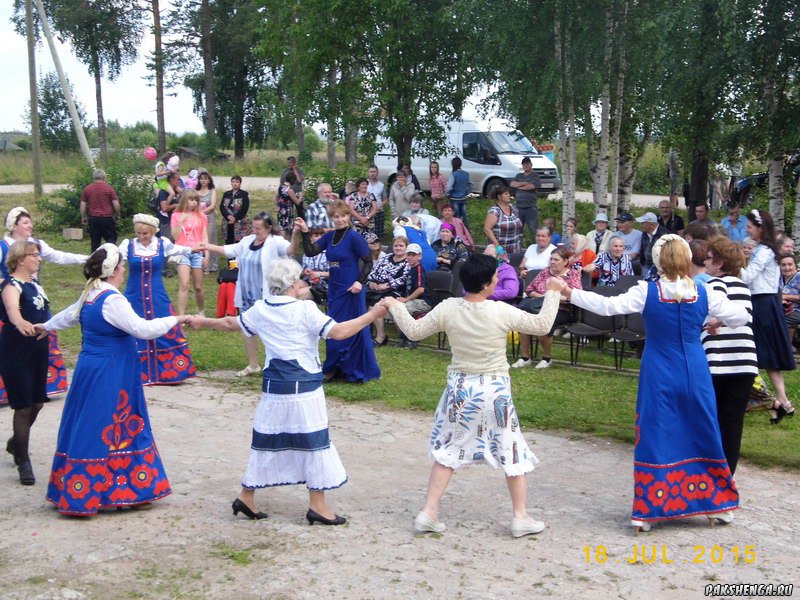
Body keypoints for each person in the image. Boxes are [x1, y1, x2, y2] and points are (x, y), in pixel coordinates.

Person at [560, 234, 748, 532]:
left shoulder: (646, 291)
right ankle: (716, 502)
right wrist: (716, 322)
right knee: (703, 429)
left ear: (658, 260)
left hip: (659, 370)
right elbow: (740, 316)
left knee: (656, 431)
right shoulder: (705, 292)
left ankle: (649, 509)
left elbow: (608, 305)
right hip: (695, 371)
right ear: (687, 260)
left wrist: (570, 292)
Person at [189, 259, 388, 524]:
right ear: (294, 283)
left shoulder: (261, 308)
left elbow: (229, 324)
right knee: (314, 443)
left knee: (266, 441)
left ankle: (246, 496)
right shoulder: (305, 309)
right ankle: (317, 506)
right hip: (303, 387)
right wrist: (373, 315)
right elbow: (339, 332)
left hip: (274, 387)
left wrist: (202, 323)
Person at [385, 253, 562, 537]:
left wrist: (395, 305)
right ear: (488, 283)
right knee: (511, 446)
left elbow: (414, 331)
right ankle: (520, 516)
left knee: (449, 449)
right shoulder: (499, 310)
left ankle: (429, 512)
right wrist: (554, 291)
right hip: (495, 390)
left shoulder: (449, 307)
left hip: (460, 390)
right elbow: (542, 326)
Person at [38, 244, 192, 516]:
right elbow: (142, 329)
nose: (124, 270)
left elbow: (69, 316)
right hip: (112, 370)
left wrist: (46, 326)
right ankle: (122, 490)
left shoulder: (91, 292)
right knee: (116, 426)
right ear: (113, 271)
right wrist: (177, 318)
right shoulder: (111, 299)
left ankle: (86, 488)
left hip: (91, 367)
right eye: (121, 266)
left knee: (89, 421)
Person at [0, 207, 87, 404]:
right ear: (13, 226)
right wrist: (6, 285)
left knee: (42, 339)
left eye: (30, 221)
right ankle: (14, 391)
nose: (29, 225)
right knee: (15, 346)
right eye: (24, 222)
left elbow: (59, 256)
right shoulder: (4, 246)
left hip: (35, 300)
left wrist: (85, 258)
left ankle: (43, 388)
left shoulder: (36, 244)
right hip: (12, 299)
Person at [204, 213, 300, 376]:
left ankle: (280, 362)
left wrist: (296, 234)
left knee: (273, 328)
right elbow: (230, 250)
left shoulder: (275, 242)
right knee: (246, 327)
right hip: (248, 293)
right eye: (253, 227)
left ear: (269, 228)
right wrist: (207, 246)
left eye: (259, 228)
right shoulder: (248, 241)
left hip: (266, 294)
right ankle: (253, 364)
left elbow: (291, 249)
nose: (255, 231)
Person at [298, 203, 380, 382]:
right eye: (336, 217)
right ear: (332, 218)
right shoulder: (330, 236)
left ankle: (341, 369)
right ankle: (336, 367)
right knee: (332, 328)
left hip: (351, 290)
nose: (340, 219)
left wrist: (359, 282)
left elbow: (368, 261)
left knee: (350, 328)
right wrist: (305, 231)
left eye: (343, 216)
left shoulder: (354, 237)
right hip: (335, 288)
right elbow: (311, 251)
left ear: (348, 216)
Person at [119, 214, 197, 385]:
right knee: (132, 327)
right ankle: (135, 373)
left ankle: (171, 372)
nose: (141, 237)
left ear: (152, 232)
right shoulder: (128, 245)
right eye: (139, 233)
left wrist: (195, 248)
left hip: (157, 295)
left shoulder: (162, 244)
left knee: (165, 325)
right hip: (134, 296)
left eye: (145, 234)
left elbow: (180, 249)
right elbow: (116, 259)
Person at [702, 237, 758, 474]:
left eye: (708, 257)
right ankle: (727, 476)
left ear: (720, 263)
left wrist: (714, 321)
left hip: (719, 362)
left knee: (710, 422)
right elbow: (745, 314)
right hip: (744, 364)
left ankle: (707, 474)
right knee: (733, 424)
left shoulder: (714, 283)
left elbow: (709, 313)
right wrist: (721, 320)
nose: (705, 260)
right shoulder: (743, 286)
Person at [0, 241, 50, 485]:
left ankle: (15, 443)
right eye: (34, 255)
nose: (39, 259)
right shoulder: (11, 284)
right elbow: (13, 311)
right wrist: (21, 324)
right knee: (23, 406)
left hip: (39, 349)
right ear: (21, 258)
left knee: (38, 403)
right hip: (17, 349)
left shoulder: (35, 283)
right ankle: (23, 460)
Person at [740, 209, 796, 423]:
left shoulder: (764, 251)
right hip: (765, 303)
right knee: (767, 357)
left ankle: (767, 400)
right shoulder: (764, 249)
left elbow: (747, 277)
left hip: (762, 305)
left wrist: (732, 262)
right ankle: (782, 403)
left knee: (756, 355)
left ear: (760, 227)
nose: (747, 229)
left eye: (750, 226)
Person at [513, 247, 581, 369]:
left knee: (544, 319)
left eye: (556, 259)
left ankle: (546, 358)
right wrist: (543, 297)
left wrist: (553, 298)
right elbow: (529, 290)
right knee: (523, 317)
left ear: (565, 261)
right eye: (551, 259)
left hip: (562, 310)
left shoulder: (573, 275)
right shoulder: (545, 272)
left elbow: (575, 297)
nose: (552, 262)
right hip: (537, 305)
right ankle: (525, 357)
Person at [170, 190, 210, 316]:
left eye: (196, 200)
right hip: (182, 251)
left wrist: (207, 254)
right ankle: (181, 316)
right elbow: (175, 237)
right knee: (184, 284)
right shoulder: (176, 215)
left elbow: (204, 236)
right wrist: (180, 222)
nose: (193, 203)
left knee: (198, 286)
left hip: (198, 251)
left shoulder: (201, 216)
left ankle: (201, 311)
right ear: (185, 200)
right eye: (191, 200)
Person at [366, 236, 409, 346]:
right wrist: (372, 282)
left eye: (401, 246)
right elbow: (373, 271)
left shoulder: (408, 261)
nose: (398, 248)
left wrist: (386, 285)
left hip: (397, 291)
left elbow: (404, 279)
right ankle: (380, 336)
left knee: (378, 304)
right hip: (377, 290)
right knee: (370, 303)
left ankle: (397, 337)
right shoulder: (386, 257)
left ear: (406, 247)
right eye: (395, 245)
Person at [395, 243, 433, 348]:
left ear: (419, 256)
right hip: (411, 300)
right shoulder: (408, 269)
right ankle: (404, 337)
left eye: (413, 255)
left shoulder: (419, 269)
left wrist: (406, 299)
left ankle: (412, 339)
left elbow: (420, 289)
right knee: (396, 307)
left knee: (404, 309)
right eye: (409, 254)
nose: (410, 257)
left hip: (424, 301)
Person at [80, 169, 121, 251]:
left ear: (93, 178)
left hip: (94, 218)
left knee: (95, 242)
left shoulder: (88, 189)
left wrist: (84, 217)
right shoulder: (109, 188)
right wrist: (117, 215)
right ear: (104, 177)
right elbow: (116, 204)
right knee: (111, 238)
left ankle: (95, 261)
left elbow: (83, 204)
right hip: (107, 218)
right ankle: (110, 256)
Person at [484, 186, 523, 254]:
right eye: (506, 194)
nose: (509, 195)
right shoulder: (495, 211)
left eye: (509, 193)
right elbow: (487, 229)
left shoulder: (513, 207)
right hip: (501, 249)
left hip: (515, 247)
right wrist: (496, 244)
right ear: (499, 196)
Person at [509, 156, 540, 236]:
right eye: (524, 164)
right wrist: (525, 183)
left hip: (531, 207)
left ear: (531, 164)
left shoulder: (535, 176)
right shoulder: (519, 175)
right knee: (518, 230)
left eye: (527, 163)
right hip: (519, 207)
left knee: (533, 230)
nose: (525, 165)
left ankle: (536, 246)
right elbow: (512, 184)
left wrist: (519, 186)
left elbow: (532, 186)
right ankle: (519, 246)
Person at [196, 169, 219, 272]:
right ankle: (200, 263)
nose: (203, 181)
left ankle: (210, 265)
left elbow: (213, 205)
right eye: (201, 179)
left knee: (209, 240)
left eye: (205, 179)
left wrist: (203, 212)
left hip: (209, 217)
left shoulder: (212, 191)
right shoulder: (196, 192)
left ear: (209, 180)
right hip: (198, 219)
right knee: (199, 240)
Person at [220, 175, 250, 244]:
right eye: (233, 182)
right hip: (227, 221)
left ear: (240, 183)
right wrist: (228, 216)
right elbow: (222, 207)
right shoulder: (226, 194)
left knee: (239, 242)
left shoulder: (243, 194)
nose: (235, 183)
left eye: (237, 182)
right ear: (231, 183)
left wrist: (235, 218)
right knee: (228, 241)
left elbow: (244, 208)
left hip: (239, 221)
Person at [637, 212, 667, 281]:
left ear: (651, 224)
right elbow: (642, 250)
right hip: (647, 265)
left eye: (643, 223)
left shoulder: (664, 234)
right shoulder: (644, 234)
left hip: (660, 267)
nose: (641, 225)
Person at [276, 171, 304, 238]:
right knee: (287, 228)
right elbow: (297, 202)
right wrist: (301, 196)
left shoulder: (280, 187)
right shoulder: (289, 190)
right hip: (287, 211)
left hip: (281, 209)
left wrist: (278, 205)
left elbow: (276, 197)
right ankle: (286, 241)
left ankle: (281, 240)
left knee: (282, 226)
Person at [780, 254, 800, 346]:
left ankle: (787, 348)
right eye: (783, 265)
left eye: (790, 264)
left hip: (797, 310)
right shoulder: (778, 278)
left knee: (781, 320)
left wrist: (785, 297)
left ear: (795, 265)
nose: (787, 268)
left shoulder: (798, 277)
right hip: (784, 309)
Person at [445, 156, 471, 227]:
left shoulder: (453, 174)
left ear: (453, 164)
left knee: (456, 216)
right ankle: (466, 229)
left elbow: (449, 187)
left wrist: (447, 194)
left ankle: (457, 230)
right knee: (464, 215)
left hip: (454, 198)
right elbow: (470, 184)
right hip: (463, 198)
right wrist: (467, 192)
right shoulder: (466, 174)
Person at [157, 172, 182, 240]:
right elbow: (164, 208)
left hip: (175, 222)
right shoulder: (163, 192)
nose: (179, 182)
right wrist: (175, 205)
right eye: (178, 179)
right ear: (171, 180)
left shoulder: (176, 191)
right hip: (166, 222)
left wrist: (181, 193)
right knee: (166, 243)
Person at [367, 165, 386, 238]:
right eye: (371, 172)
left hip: (378, 212)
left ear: (377, 173)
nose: (372, 173)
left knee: (378, 234)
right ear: (368, 173)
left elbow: (385, 199)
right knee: (368, 232)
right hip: (367, 212)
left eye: (374, 172)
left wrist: (379, 207)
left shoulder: (381, 185)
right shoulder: (365, 184)